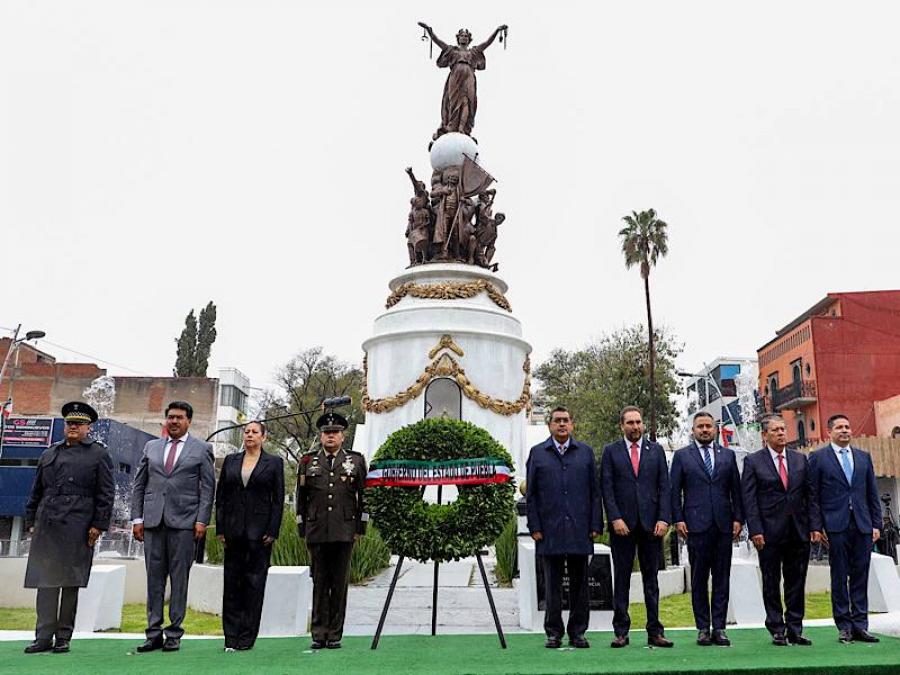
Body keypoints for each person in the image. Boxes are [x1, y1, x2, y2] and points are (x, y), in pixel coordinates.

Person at [22, 402, 114, 654]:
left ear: (88, 428)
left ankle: (63, 636)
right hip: (47, 524)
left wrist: (98, 525)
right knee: (45, 582)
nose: (73, 427)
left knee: (70, 582)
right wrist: (31, 521)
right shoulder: (49, 454)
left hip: (78, 525)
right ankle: (43, 636)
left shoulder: (98, 454)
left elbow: (106, 493)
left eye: (78, 424)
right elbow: (36, 491)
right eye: (69, 423)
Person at [131, 401, 215, 652]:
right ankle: (153, 632)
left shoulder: (202, 449)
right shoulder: (151, 446)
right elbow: (139, 484)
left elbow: (208, 488)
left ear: (189, 420)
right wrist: (137, 518)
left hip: (185, 524)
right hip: (154, 523)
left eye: (179, 417)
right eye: (170, 417)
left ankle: (174, 633)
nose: (174, 421)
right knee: (154, 580)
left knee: (179, 579)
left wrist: (202, 520)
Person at [525, 406, 602, 649]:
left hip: (580, 528)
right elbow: (532, 495)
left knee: (580, 585)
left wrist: (595, 524)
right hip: (549, 530)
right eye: (557, 421)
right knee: (552, 584)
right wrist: (534, 526)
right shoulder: (537, 454)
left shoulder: (585, 453)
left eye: (566, 421)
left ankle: (578, 632)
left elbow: (594, 492)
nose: (562, 424)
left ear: (572, 425)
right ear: (549, 425)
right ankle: (553, 633)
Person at [741, 414, 820, 646]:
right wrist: (755, 530)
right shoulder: (753, 462)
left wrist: (815, 525)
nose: (781, 433)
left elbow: (811, 496)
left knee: (796, 581)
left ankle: (795, 628)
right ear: (764, 435)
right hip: (768, 533)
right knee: (771, 581)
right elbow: (749, 500)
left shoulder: (800, 460)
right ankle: (776, 627)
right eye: (775, 430)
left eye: (783, 429)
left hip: (798, 531)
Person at [600, 406, 673, 648]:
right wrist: (615, 518)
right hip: (623, 526)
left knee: (651, 580)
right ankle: (621, 631)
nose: (635, 426)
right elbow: (607, 488)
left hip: (652, 526)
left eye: (638, 422)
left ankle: (655, 631)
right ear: (622, 425)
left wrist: (664, 518)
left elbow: (665, 486)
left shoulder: (656, 450)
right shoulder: (611, 452)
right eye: (630, 422)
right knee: (621, 579)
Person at [670, 412, 743, 647]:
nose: (704, 430)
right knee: (699, 579)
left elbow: (736, 491)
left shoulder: (728, 456)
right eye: (700, 426)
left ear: (714, 429)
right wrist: (678, 519)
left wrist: (738, 519)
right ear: (693, 430)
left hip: (723, 526)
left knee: (722, 578)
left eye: (708, 426)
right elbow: (674, 492)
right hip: (695, 526)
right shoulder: (682, 456)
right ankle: (702, 627)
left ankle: (719, 627)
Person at [296, 411, 367, 649]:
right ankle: (318, 633)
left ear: (343, 436)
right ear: (320, 435)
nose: (330, 437)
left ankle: (335, 633)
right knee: (319, 582)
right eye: (326, 433)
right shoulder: (308, 461)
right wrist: (301, 526)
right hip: (316, 529)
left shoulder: (355, 461)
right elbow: (301, 497)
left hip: (344, 529)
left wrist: (360, 526)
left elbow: (363, 497)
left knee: (339, 583)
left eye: (335, 432)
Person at [809, 414, 882, 643]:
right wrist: (817, 526)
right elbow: (813, 496)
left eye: (847, 427)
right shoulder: (819, 458)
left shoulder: (863, 457)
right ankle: (844, 626)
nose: (845, 431)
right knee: (839, 575)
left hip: (862, 525)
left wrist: (876, 524)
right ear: (829, 432)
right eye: (839, 427)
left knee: (861, 575)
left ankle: (860, 624)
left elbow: (872, 493)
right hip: (835, 526)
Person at [215, 421, 285, 651]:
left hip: (260, 533)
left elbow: (278, 500)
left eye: (255, 432)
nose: (250, 435)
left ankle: (247, 638)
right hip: (233, 532)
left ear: (263, 437)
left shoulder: (274, 463)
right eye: (247, 432)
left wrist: (273, 530)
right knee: (232, 585)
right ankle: (230, 637)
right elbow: (222, 497)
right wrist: (221, 528)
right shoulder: (231, 461)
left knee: (254, 586)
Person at [417, 22, 508, 139]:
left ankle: (462, 128)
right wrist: (430, 33)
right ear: (458, 38)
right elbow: (439, 43)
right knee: (452, 102)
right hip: (455, 77)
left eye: (466, 36)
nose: (464, 37)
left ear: (469, 39)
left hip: (469, 77)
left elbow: (487, 43)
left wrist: (497, 31)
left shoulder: (473, 52)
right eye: (462, 35)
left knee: (468, 102)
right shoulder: (452, 51)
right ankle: (451, 126)